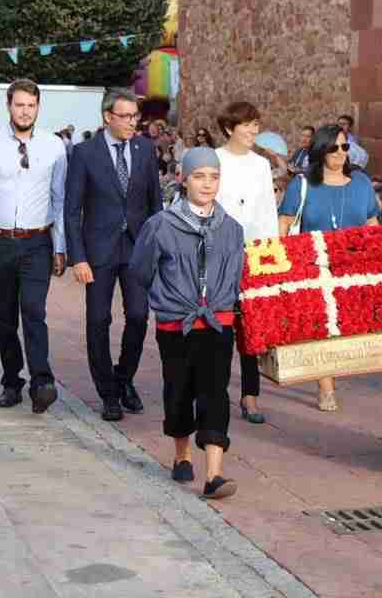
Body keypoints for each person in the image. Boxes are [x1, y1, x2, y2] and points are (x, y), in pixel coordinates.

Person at [131, 148, 245, 499]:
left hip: (217, 322)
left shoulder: (232, 229)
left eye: (213, 176)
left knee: (215, 393)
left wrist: (223, 300)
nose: (207, 184)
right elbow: (141, 269)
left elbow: (238, 271)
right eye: (199, 176)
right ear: (183, 179)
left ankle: (214, 474)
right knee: (178, 391)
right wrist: (168, 299)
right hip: (176, 325)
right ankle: (181, 454)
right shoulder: (161, 225)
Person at [0, 79, 68, 414]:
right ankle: (12, 382)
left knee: (34, 311)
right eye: (19, 104)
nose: (25, 111)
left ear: (38, 107)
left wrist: (60, 246)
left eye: (31, 105)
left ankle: (42, 381)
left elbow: (60, 198)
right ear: (8, 105)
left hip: (37, 241)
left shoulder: (54, 146)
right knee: (6, 316)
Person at [65, 88, 161, 422]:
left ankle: (124, 378)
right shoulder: (84, 153)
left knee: (138, 315)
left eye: (136, 116)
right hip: (98, 251)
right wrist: (77, 257)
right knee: (98, 320)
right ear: (108, 117)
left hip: (136, 248)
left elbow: (154, 205)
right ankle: (108, 393)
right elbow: (71, 209)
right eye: (126, 116)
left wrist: (156, 249)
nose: (133, 122)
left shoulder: (145, 150)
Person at [277, 124, 380, 411]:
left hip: (354, 266)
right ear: (321, 150)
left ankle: (334, 372)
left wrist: (379, 255)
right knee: (322, 326)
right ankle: (326, 386)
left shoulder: (360, 183)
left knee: (346, 328)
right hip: (315, 266)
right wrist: (284, 263)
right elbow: (284, 223)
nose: (340, 153)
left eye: (345, 147)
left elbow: (372, 222)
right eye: (333, 147)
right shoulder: (303, 184)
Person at [215, 102, 278, 424]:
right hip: (219, 255)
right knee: (221, 326)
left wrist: (269, 254)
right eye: (247, 125)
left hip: (254, 254)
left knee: (252, 328)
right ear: (230, 129)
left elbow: (267, 210)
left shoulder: (261, 166)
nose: (253, 131)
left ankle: (250, 395)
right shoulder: (215, 160)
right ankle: (217, 392)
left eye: (256, 125)